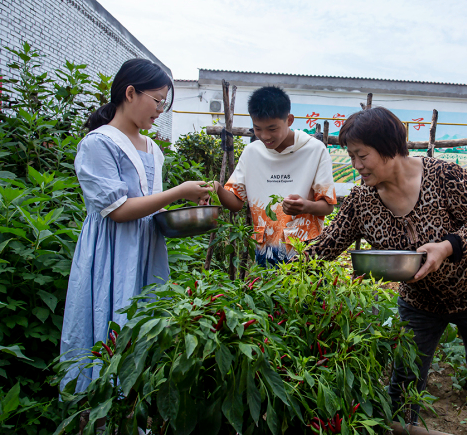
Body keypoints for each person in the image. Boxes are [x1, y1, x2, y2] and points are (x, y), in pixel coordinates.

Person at [306, 107, 467, 434]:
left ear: (389, 148)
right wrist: (285, 270)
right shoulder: (362, 200)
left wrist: (445, 247)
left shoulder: (443, 175)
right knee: (404, 379)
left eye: (362, 156)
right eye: (351, 156)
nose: (356, 166)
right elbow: (325, 246)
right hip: (419, 301)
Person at [60, 59, 213, 392]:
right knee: (107, 319)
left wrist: (184, 203)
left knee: (142, 327)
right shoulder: (98, 144)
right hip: (110, 250)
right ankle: (97, 412)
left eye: (164, 103)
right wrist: (177, 192)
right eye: (157, 101)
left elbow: (148, 203)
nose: (160, 110)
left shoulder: (152, 148)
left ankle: (132, 410)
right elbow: (118, 210)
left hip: (145, 249)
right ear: (130, 93)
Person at [213, 86, 336, 266]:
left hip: (306, 252)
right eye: (258, 128)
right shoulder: (251, 153)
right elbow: (236, 202)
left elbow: (328, 207)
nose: (265, 136)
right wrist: (216, 188)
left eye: (272, 128)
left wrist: (305, 206)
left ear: (289, 120)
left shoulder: (314, 150)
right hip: (265, 250)